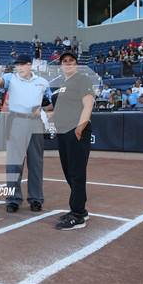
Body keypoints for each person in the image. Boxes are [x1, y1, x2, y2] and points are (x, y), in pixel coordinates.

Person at [0, 54, 51, 213]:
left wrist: (44, 111)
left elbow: (49, 105)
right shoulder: (10, 77)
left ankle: (36, 199)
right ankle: (13, 199)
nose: (18, 67)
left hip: (35, 122)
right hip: (16, 120)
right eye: (17, 65)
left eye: (21, 64)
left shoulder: (42, 82)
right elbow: (0, 82)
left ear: (29, 65)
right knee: (14, 163)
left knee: (36, 163)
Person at [51, 52, 95, 230]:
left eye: (71, 61)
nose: (67, 63)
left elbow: (89, 103)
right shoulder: (63, 84)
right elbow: (59, 107)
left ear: (76, 64)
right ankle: (80, 210)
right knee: (69, 171)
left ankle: (77, 215)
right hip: (63, 132)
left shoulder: (82, 79)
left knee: (76, 173)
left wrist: (80, 127)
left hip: (76, 131)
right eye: (64, 61)